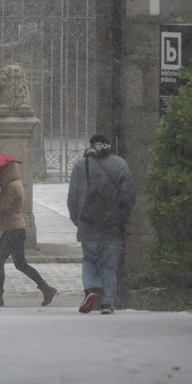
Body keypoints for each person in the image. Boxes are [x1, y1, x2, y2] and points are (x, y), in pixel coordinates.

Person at [67, 134, 136, 315]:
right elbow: (129, 194)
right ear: (108, 145)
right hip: (112, 223)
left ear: (91, 145)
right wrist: (123, 217)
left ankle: (91, 289)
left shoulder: (81, 164)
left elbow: (73, 195)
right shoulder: (121, 164)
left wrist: (76, 217)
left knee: (89, 259)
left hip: (88, 221)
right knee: (109, 264)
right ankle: (107, 302)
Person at [0, 161, 57, 307]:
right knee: (20, 264)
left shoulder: (10, 187)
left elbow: (5, 207)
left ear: (5, 173)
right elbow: (8, 207)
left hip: (12, 230)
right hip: (16, 228)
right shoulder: (15, 184)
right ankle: (46, 288)